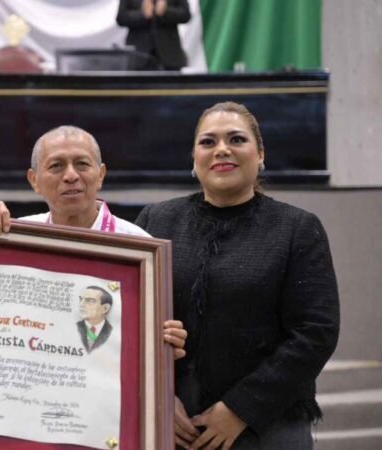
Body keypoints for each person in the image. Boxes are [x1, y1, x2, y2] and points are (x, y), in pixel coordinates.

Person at [134, 101, 340, 450]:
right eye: (208, 142)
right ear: (194, 157)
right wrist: (159, 398)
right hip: (172, 425)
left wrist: (240, 409)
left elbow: (315, 334)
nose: (222, 150)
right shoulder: (156, 222)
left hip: (268, 425)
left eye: (236, 139)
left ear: (260, 154)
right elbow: (127, 316)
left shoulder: (298, 228)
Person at [0, 125, 187, 359]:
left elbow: (153, 339)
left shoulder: (140, 248)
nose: (71, 175)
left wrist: (162, 346)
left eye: (82, 164)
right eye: (56, 166)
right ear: (34, 180)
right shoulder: (13, 239)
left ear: (101, 174)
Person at [116, 0, 191, 70]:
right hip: (138, 56)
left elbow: (186, 14)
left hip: (170, 57)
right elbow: (121, 17)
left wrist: (166, 11)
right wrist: (142, 14)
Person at [77, 286, 115, 353]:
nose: (81, 304)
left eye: (90, 301)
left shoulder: (112, 332)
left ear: (105, 308)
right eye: (81, 299)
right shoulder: (75, 327)